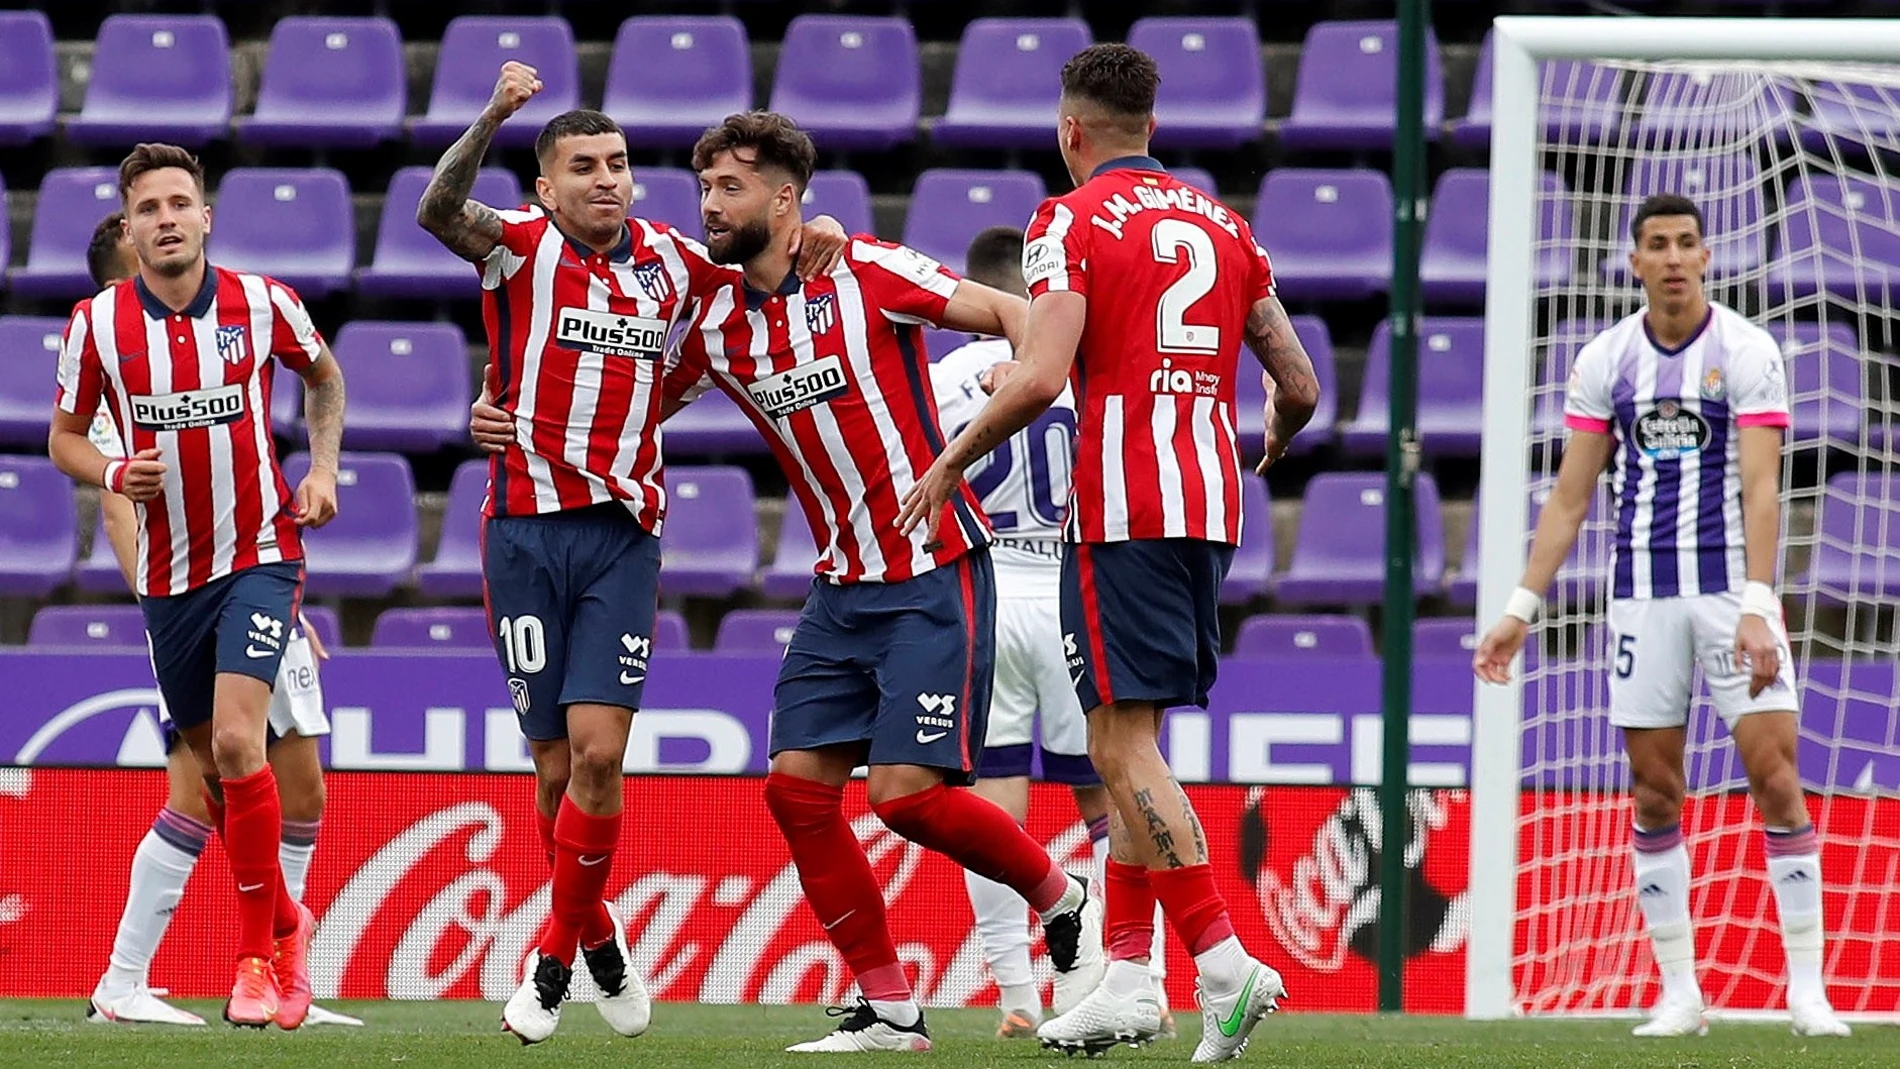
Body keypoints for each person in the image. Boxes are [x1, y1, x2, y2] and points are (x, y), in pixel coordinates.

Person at [900, 45, 1320, 1061]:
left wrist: (952, 459)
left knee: (1118, 749)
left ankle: (1222, 961)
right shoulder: (1224, 224)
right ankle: (1130, 977)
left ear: (1071, 129)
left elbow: (1039, 375)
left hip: (1123, 508)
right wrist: (1268, 437)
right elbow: (1298, 381)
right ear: (1151, 128)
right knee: (1125, 744)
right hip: (1209, 503)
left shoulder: (1067, 220)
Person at [415, 64, 843, 1045]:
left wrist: (814, 236)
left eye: (617, 163)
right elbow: (437, 205)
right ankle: (600, 938)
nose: (608, 179)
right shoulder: (516, 250)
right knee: (556, 767)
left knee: (601, 755)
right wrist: (492, 115)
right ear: (546, 189)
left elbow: (757, 274)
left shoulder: (670, 262)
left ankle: (553, 961)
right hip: (521, 533)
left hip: (622, 539)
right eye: (583, 167)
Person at [1473, 193, 1850, 1039]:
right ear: (1635, 261)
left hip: (1731, 598)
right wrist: (1519, 609)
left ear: (1707, 256)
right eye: (1658, 245)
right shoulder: (1606, 360)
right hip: (1642, 597)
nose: (1674, 257)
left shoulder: (1747, 351)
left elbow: (1763, 486)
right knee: (1653, 791)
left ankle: (1806, 988)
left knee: (1777, 776)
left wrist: (1759, 603)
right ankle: (1680, 989)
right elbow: (1569, 499)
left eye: (1687, 243)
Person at [50, 143, 346, 1030]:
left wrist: (324, 468)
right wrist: (110, 474)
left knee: (235, 744)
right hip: (172, 586)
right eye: (150, 207)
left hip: (261, 554)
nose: (168, 217)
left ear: (205, 216)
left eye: (182, 202)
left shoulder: (262, 303)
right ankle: (271, 942)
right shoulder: (97, 326)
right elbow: (65, 440)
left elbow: (324, 376)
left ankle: (261, 960)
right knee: (219, 774)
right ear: (130, 227)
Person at [930, 225, 1172, 1041]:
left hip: (986, 593)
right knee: (1114, 787)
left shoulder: (941, 378)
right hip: (1073, 586)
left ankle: (1018, 993)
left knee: (994, 796)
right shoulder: (1081, 362)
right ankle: (1141, 978)